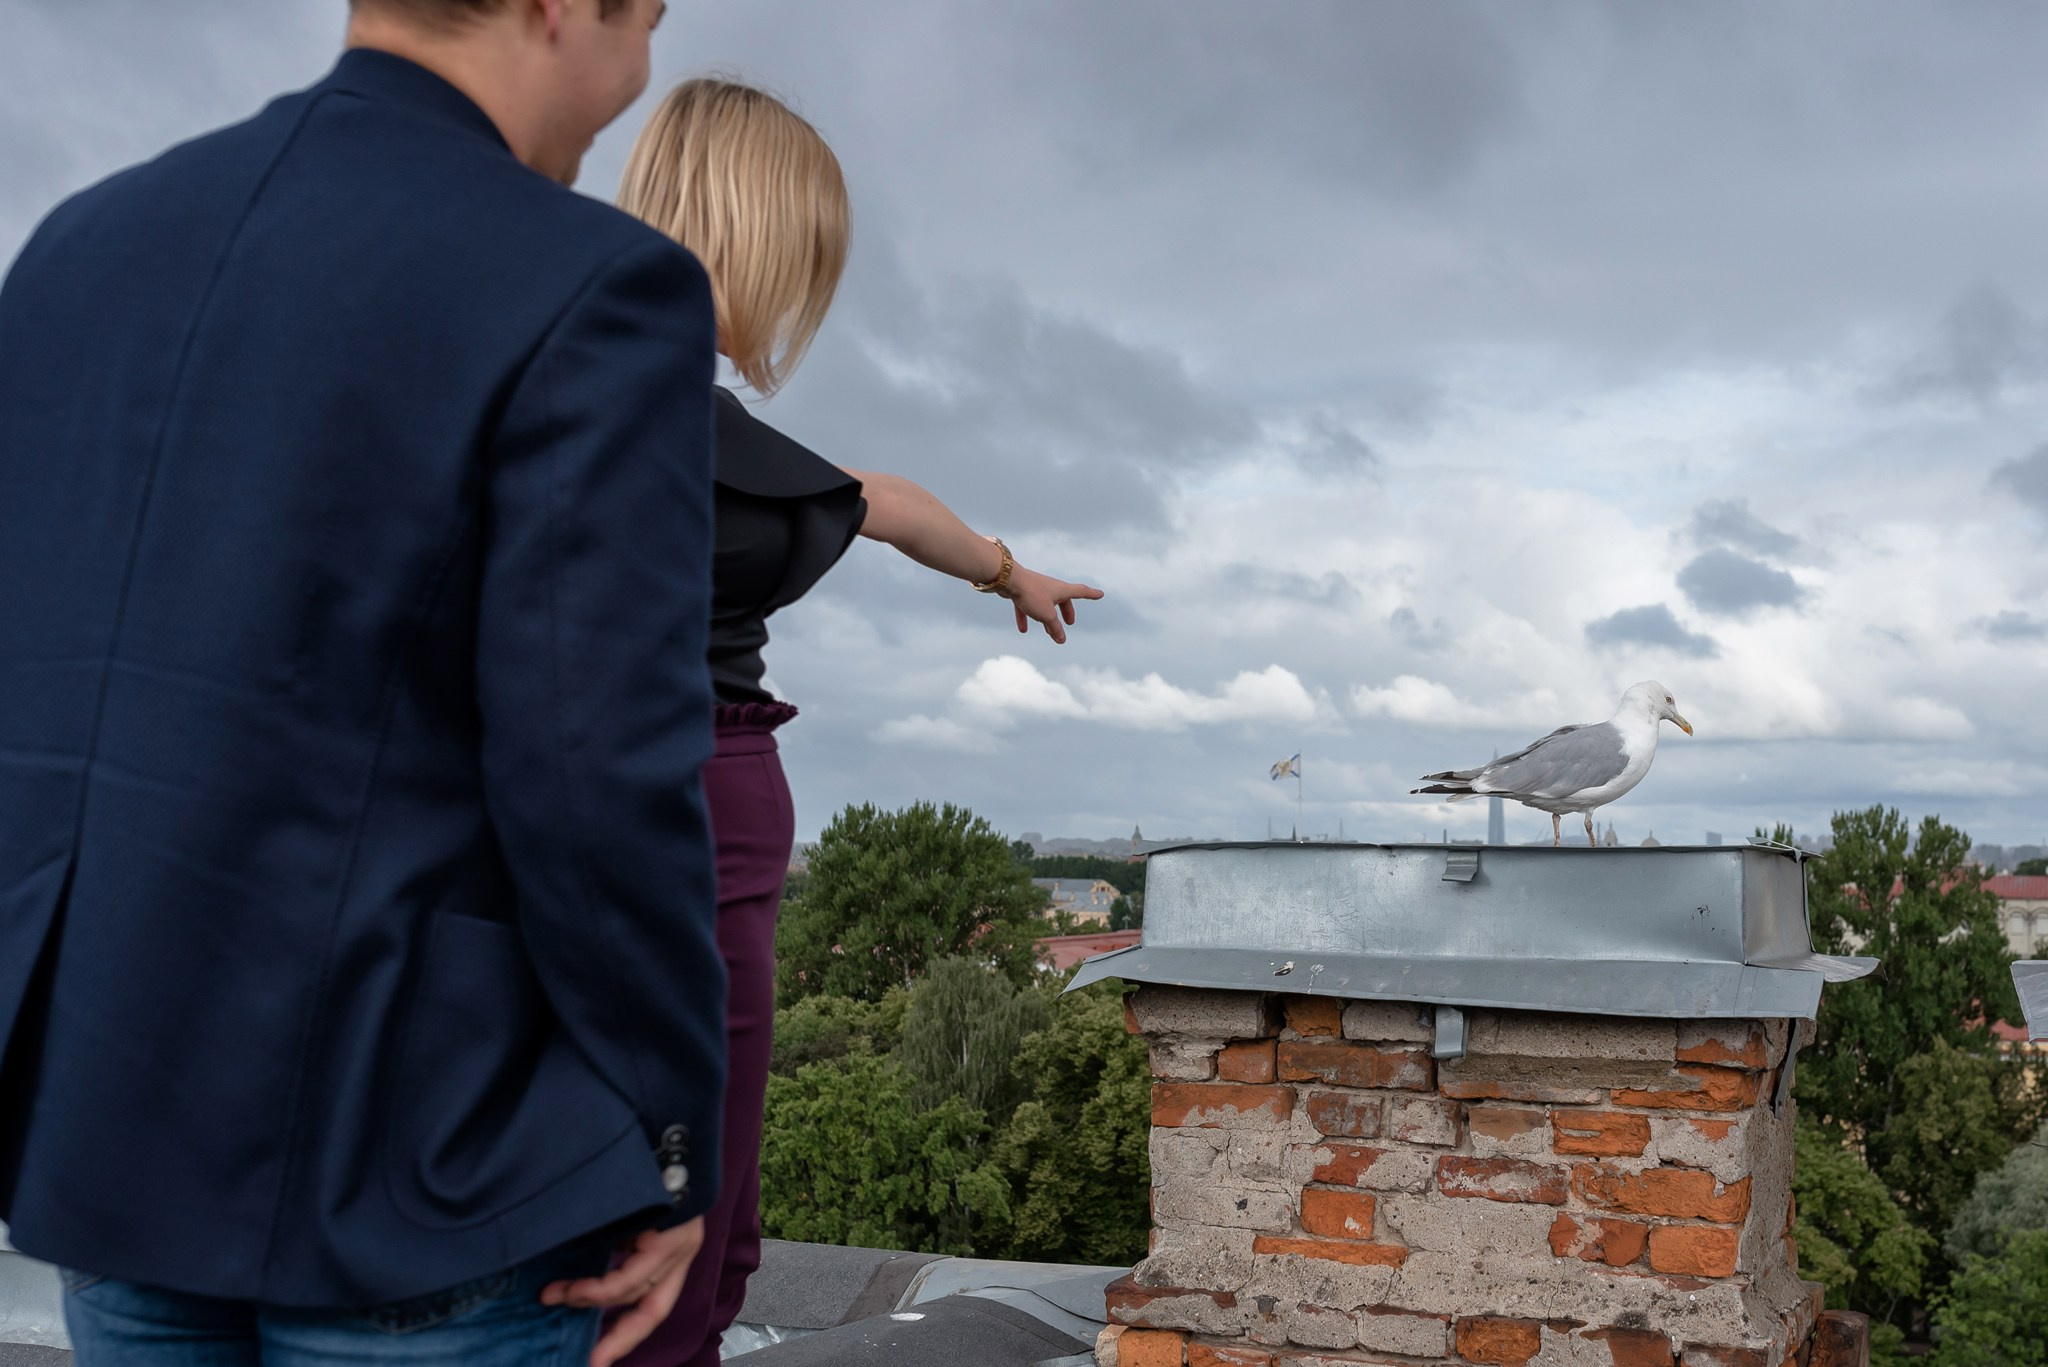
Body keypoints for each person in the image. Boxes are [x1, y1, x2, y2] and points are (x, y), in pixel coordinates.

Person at [0, 3, 731, 1365]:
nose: (639, 70)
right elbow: (597, 786)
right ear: (565, 6)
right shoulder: (598, 284)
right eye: (649, 20)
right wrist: (670, 1141)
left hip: (105, 1139)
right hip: (428, 1171)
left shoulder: (73, 250)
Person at [607, 78, 1105, 1367]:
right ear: (768, 248)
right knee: (682, 1223)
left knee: (653, 1211)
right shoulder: (712, 461)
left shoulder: (562, 395)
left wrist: (1008, 570)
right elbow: (880, 500)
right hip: (691, 820)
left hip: (586, 820)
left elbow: (881, 498)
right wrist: (1009, 571)